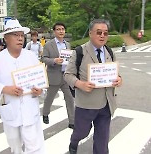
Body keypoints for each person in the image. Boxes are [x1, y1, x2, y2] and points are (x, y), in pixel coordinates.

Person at [0, 19, 45, 154]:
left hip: (30, 108)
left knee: (35, 147)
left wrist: (40, 90)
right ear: (6, 38)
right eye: (15, 35)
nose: (20, 39)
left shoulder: (31, 57)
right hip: (11, 110)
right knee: (15, 146)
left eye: (21, 35)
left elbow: (41, 82)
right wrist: (6, 89)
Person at [64, 19, 122, 154]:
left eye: (105, 33)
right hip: (86, 104)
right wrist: (80, 84)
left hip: (106, 104)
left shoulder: (109, 52)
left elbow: (116, 73)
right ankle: (74, 141)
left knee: (102, 142)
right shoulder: (79, 52)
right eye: (99, 32)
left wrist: (119, 79)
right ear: (90, 33)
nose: (102, 36)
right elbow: (68, 75)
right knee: (81, 132)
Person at [41, 22, 75, 129]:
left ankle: (72, 121)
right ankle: (45, 113)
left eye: (63, 29)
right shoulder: (48, 45)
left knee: (69, 98)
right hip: (54, 75)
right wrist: (54, 60)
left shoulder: (67, 44)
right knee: (50, 98)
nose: (61, 31)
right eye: (58, 29)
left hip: (65, 76)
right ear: (54, 31)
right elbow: (43, 58)